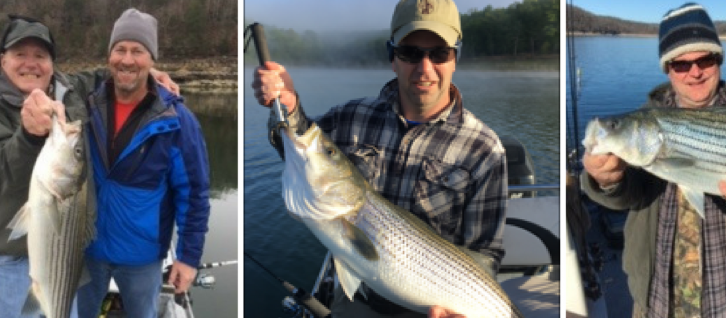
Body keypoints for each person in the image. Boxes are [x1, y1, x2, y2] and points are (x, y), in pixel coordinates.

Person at [252, 0, 508, 317]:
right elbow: (298, 147)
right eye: (410, 52)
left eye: (439, 53)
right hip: (357, 302)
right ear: (392, 57)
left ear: (455, 58)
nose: (424, 68)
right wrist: (289, 107)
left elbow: (485, 252)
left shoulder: (484, 149)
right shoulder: (351, 116)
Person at [581, 3, 726, 318]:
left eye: (706, 59)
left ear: (719, 60)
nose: (695, 72)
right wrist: (606, 180)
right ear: (667, 68)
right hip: (657, 301)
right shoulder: (643, 123)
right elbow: (626, 196)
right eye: (681, 64)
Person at [74, 8, 211, 318]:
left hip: (143, 257)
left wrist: (188, 258)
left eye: (138, 51)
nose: (127, 59)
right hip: (86, 250)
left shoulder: (178, 121)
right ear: (109, 55)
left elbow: (194, 194)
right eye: (120, 49)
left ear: (152, 59)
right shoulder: (85, 105)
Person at [0, 15, 89, 318]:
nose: (31, 63)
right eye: (20, 54)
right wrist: (28, 137)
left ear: (52, 64)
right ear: (2, 60)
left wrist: (151, 73)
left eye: (40, 55)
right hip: (8, 260)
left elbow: (101, 76)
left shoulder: (67, 91)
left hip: (65, 260)